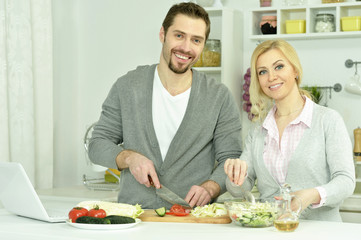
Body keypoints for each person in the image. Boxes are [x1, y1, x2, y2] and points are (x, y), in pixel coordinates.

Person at [88, 2, 242, 209]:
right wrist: (129, 158)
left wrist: (211, 187)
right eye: (179, 35)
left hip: (192, 219)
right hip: (135, 216)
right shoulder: (127, 86)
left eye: (196, 40)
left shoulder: (218, 96)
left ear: (203, 45)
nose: (186, 48)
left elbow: (231, 160)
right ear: (163, 34)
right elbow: (97, 144)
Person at [224, 39, 355, 221]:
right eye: (263, 72)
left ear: (295, 70)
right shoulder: (258, 131)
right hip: (271, 231)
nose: (271, 77)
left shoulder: (328, 120)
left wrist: (311, 195)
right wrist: (235, 176)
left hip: (321, 232)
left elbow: (346, 181)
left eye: (278, 67)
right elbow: (239, 190)